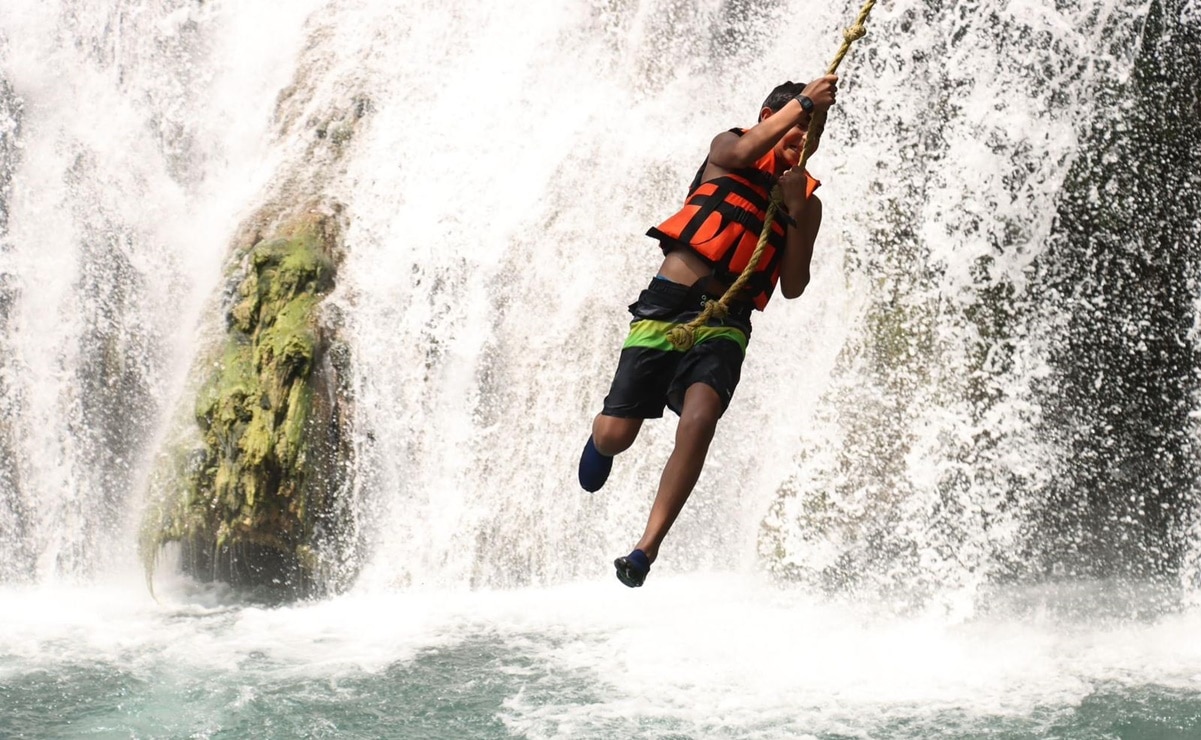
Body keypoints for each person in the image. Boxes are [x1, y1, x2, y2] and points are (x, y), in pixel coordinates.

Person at [578, 75, 839, 588]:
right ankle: (600, 440)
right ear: (770, 117)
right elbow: (744, 150)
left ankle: (645, 550)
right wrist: (806, 100)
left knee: (700, 418)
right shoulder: (728, 149)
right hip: (668, 307)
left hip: (727, 321)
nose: (801, 141)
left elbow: (792, 285)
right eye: (793, 129)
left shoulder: (805, 198)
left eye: (811, 133)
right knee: (617, 435)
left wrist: (799, 213)